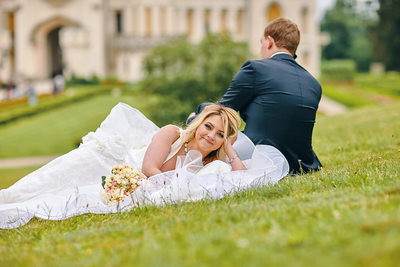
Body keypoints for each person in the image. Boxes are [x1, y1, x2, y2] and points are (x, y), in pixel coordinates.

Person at [0, 102, 288, 229]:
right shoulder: (171, 134)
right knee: (46, 182)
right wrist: (175, 188)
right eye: (209, 127)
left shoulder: (211, 161)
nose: (210, 135)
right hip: (112, 163)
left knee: (64, 200)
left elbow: (242, 179)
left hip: (140, 187)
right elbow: (150, 167)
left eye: (220, 134)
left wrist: (229, 150)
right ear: (199, 123)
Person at [189, 18, 322, 174]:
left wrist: (195, 118)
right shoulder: (314, 84)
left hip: (259, 156)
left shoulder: (256, 68)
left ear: (269, 42)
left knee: (203, 122)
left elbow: (222, 110)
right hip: (302, 164)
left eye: (261, 42)